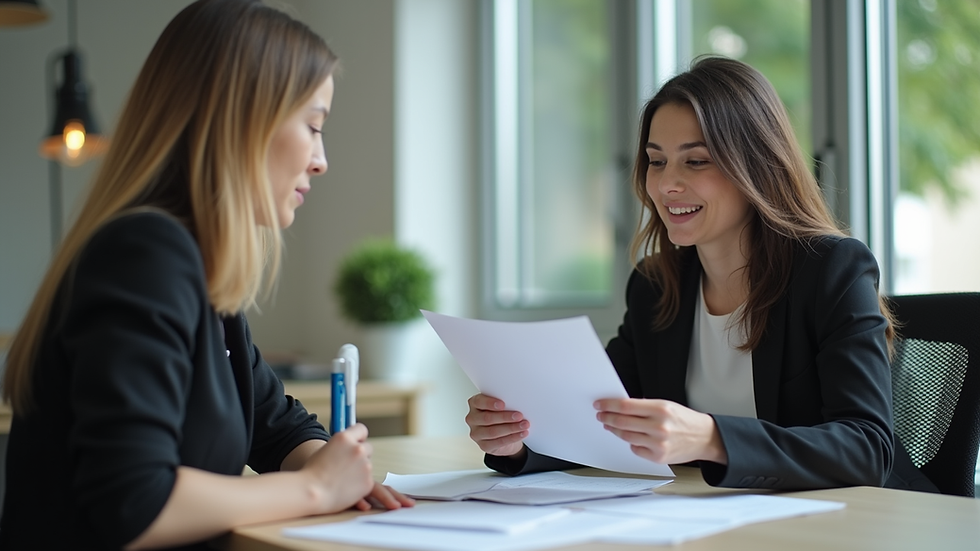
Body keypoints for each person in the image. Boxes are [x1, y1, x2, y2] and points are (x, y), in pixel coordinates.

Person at [0, 1, 414, 549]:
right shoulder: (145, 255)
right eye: (313, 126)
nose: (321, 159)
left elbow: (276, 426)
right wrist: (315, 490)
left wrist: (339, 473)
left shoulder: (200, 272)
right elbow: (137, 501)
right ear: (241, 122)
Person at [465, 55, 937, 493]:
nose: (667, 183)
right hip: (723, 520)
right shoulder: (655, 286)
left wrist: (712, 438)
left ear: (757, 165)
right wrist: (518, 443)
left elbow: (867, 448)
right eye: (656, 161)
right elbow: (600, 424)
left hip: (858, 522)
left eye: (696, 161)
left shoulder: (831, 270)